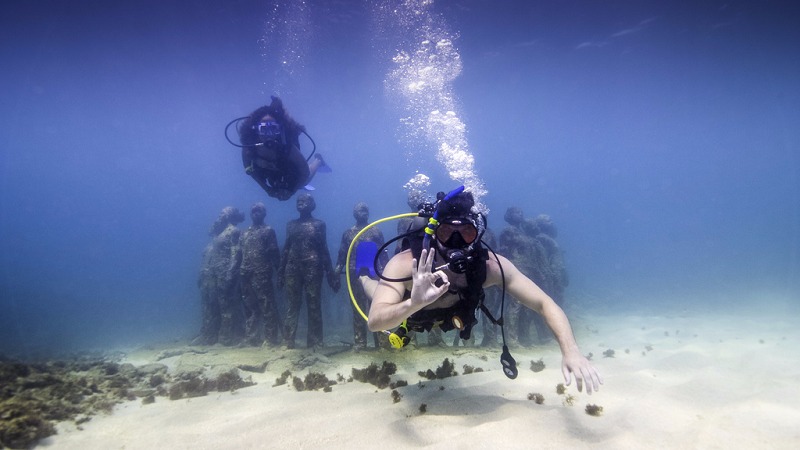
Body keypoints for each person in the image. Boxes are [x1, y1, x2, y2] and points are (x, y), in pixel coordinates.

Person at [362, 189, 601, 393]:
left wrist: (571, 351)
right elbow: (375, 321)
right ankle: (363, 275)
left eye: (466, 233)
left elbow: (544, 303)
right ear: (434, 233)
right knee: (376, 292)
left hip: (455, 313)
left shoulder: (490, 267)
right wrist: (412, 303)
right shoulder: (405, 264)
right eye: (447, 233)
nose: (456, 242)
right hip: (410, 309)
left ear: (476, 235)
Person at [278, 193, 340, 349]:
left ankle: (315, 341)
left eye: (304, 201)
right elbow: (286, 249)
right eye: (298, 201)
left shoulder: (319, 225)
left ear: (312, 204)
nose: (300, 203)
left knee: (313, 303)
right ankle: (288, 340)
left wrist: (330, 273)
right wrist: (280, 272)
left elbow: (324, 249)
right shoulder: (290, 225)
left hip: (313, 267)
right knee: (292, 304)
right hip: (292, 267)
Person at [238, 96, 329, 201]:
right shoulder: (249, 147)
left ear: (279, 130)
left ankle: (318, 160)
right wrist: (267, 189)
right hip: (268, 172)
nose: (269, 135)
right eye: (264, 129)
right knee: (273, 181)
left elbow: (305, 172)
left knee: (305, 181)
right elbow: (250, 171)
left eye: (273, 129)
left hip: (288, 168)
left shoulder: (287, 147)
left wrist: (292, 191)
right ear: (256, 130)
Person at [335, 202, 388, 350]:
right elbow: (342, 254)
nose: (363, 212)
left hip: (375, 274)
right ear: (354, 214)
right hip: (354, 274)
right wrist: (336, 271)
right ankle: (360, 342)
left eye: (365, 210)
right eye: (359, 210)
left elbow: (383, 253)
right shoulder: (348, 233)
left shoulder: (376, 231)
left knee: (377, 307)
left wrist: (388, 272)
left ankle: (381, 343)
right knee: (357, 308)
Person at [193, 206, 245, 346]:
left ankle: (225, 338)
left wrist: (231, 272)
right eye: (221, 212)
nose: (221, 214)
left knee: (225, 305)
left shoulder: (233, 231)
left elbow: (236, 252)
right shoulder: (218, 233)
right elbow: (209, 255)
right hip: (212, 272)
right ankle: (208, 335)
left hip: (224, 272)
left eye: (224, 212)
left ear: (230, 215)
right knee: (210, 305)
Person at [240, 202, 282, 346]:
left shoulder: (268, 231)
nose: (255, 213)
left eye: (258, 211)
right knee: (249, 306)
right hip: (246, 273)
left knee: (267, 305)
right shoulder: (244, 233)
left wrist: (279, 272)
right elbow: (241, 254)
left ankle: (271, 338)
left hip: (262, 272)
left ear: (264, 214)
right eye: (253, 211)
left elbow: (274, 253)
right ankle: (251, 337)